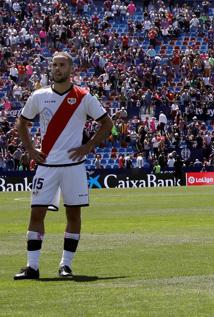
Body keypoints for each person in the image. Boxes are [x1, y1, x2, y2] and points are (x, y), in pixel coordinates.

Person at [14, 52, 113, 280]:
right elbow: (22, 123)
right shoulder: (39, 96)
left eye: (62, 65)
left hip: (74, 166)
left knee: (73, 214)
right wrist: (30, 150)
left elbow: (107, 124)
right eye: (54, 65)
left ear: (71, 69)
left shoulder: (84, 96)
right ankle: (33, 267)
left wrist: (87, 147)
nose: (57, 68)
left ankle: (65, 265)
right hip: (46, 164)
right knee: (36, 213)